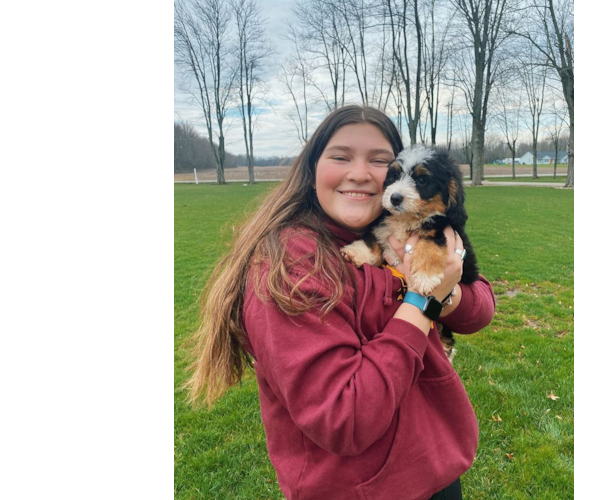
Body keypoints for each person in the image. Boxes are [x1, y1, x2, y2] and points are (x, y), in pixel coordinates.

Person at [183, 105, 495, 500]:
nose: (362, 173)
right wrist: (422, 300)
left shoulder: (394, 228)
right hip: (360, 489)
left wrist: (449, 292)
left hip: (437, 469)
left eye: (380, 160)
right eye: (341, 156)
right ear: (313, 167)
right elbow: (343, 416)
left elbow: (481, 305)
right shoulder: (290, 263)